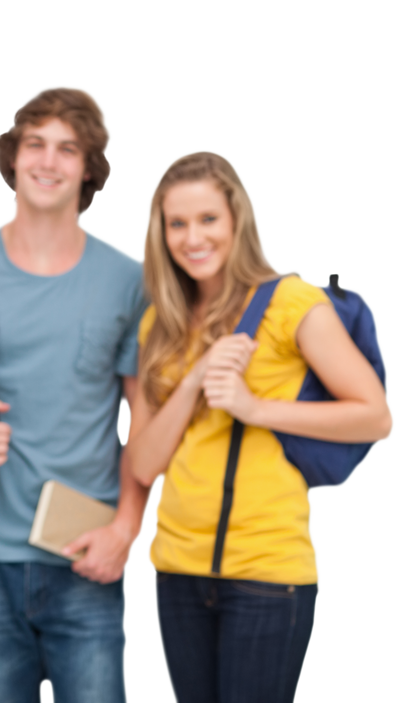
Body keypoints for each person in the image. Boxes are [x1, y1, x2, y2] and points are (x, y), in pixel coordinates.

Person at [125, 148, 394, 703]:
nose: (193, 237)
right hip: (176, 570)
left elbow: (376, 415)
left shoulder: (289, 303)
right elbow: (144, 462)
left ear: (236, 222)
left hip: (266, 574)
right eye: (177, 223)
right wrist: (197, 376)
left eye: (208, 220)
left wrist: (254, 408)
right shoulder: (159, 322)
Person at [0, 84, 150, 703]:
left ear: (89, 169)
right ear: (12, 156)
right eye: (35, 144)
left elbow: (145, 420)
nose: (48, 161)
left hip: (86, 550)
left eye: (67, 149)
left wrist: (128, 528)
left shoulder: (128, 278)